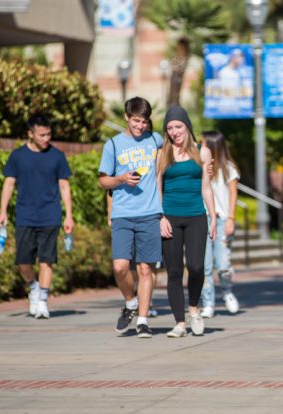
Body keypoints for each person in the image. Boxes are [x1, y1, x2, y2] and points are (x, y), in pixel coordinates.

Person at [0, 113, 74, 319]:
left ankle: (42, 301)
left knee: (46, 261)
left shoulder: (57, 156)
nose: (46, 138)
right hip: (25, 215)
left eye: (48, 134)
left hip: (50, 215)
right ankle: (33, 287)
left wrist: (69, 215)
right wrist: (3, 211)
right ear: (30, 134)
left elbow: (64, 186)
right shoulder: (17, 156)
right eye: (41, 135)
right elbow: (9, 183)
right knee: (23, 262)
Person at [98, 97, 162, 338]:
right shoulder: (113, 145)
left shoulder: (155, 140)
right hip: (123, 214)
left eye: (144, 121)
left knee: (146, 269)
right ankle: (130, 302)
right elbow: (103, 180)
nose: (140, 126)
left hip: (149, 213)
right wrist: (121, 179)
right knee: (120, 267)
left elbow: (176, 155)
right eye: (136, 121)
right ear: (126, 117)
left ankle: (143, 320)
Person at [157, 105, 217, 338]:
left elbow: (206, 187)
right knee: (173, 271)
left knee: (196, 266)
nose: (174, 131)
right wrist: (159, 217)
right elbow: (157, 189)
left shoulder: (203, 152)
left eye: (178, 126)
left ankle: (194, 310)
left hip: (195, 216)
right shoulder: (162, 153)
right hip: (169, 216)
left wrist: (213, 217)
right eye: (170, 127)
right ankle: (180, 323)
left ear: (187, 127)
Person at [200, 130, 240, 318]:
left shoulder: (228, 168)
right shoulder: (199, 166)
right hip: (203, 219)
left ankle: (227, 291)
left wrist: (231, 218)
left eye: (203, 144)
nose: (200, 147)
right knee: (205, 265)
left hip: (222, 219)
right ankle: (208, 302)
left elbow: (233, 194)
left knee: (223, 263)